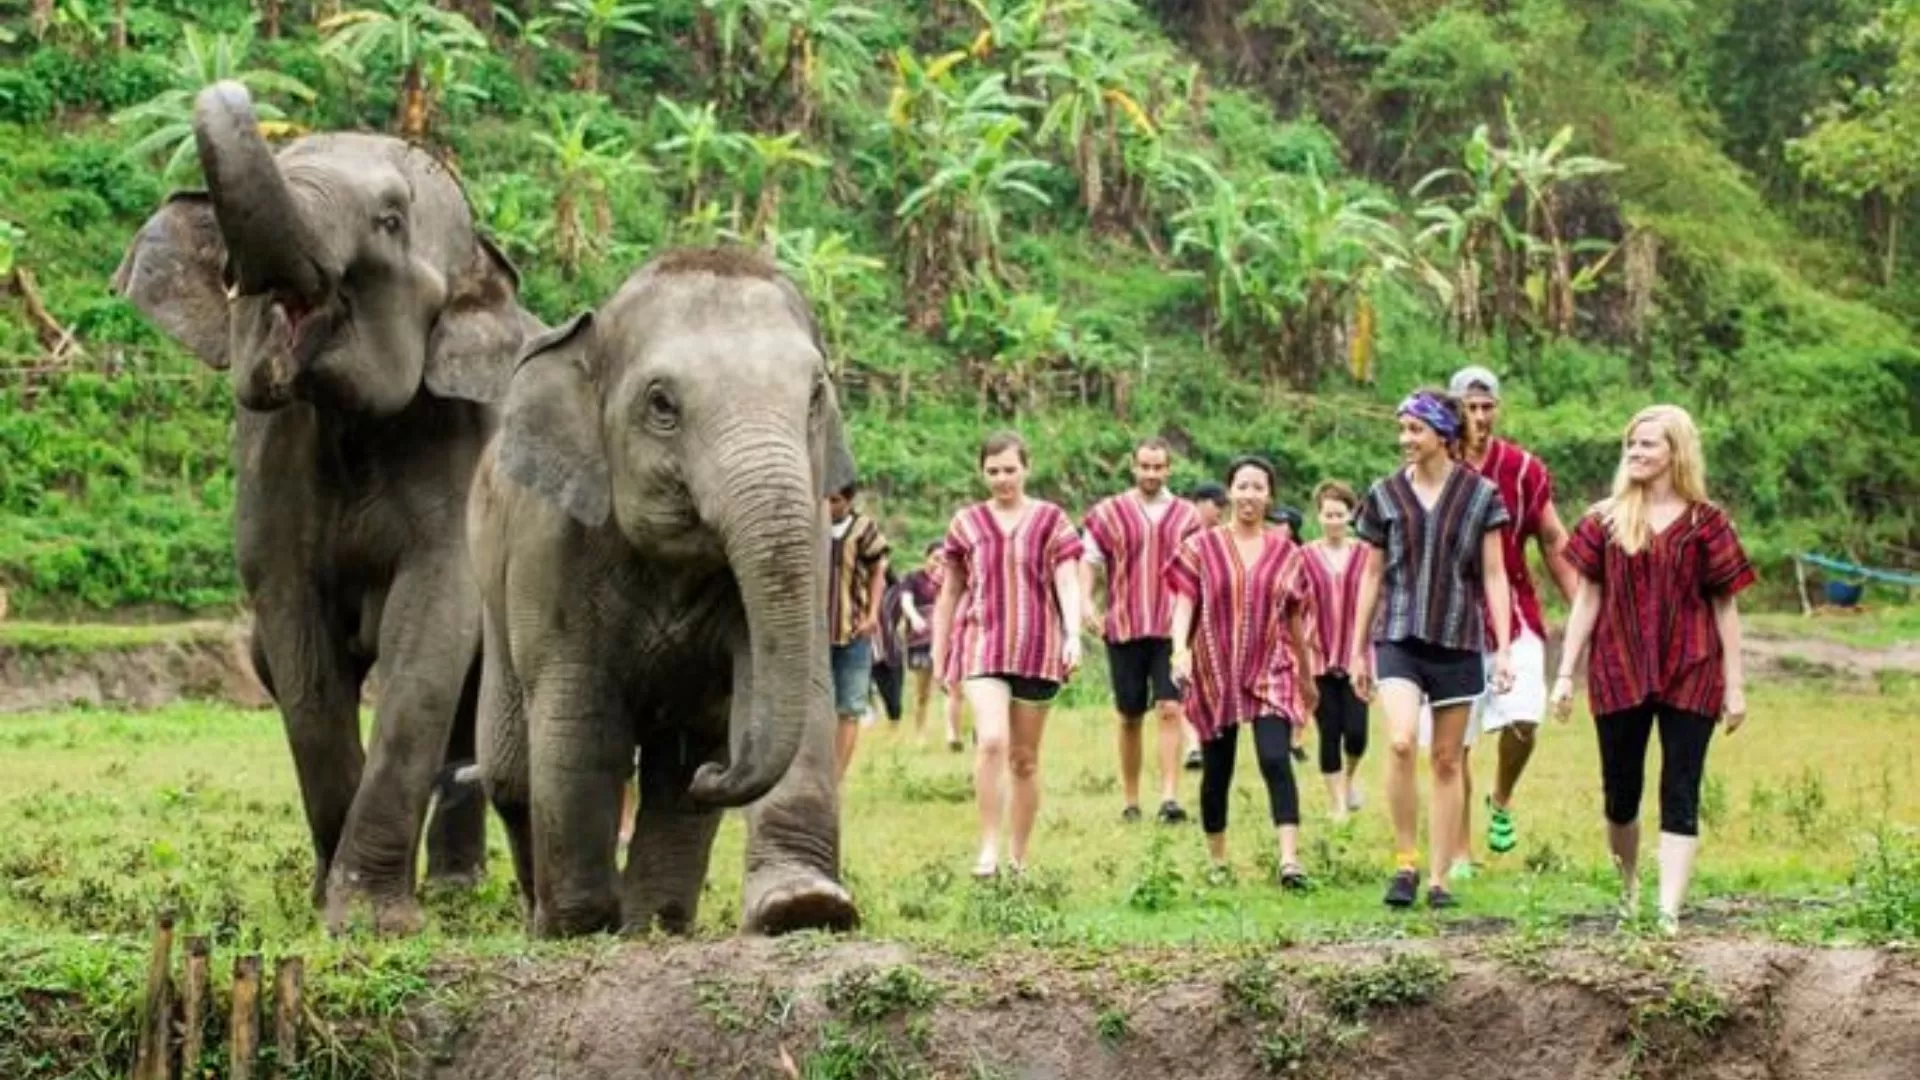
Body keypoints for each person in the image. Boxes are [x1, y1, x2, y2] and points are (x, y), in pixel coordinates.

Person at [1552, 404, 1753, 936]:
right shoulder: (1605, 520)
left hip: (1692, 668)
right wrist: (1564, 673)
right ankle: (1629, 892)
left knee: (1680, 791)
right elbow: (1587, 598)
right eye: (1632, 445)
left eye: (1648, 445)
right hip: (1618, 669)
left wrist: (1735, 686)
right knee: (1620, 795)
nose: (1637, 453)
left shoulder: (1708, 524)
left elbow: (1725, 607)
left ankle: (1667, 913)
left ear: (1675, 452)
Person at [1350, 389, 1514, 910]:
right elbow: (1371, 574)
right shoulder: (1383, 495)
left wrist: (1505, 648)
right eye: (1401, 429)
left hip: (1458, 637)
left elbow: (1494, 574)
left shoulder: (1481, 496)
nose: (1404, 439)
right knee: (1400, 741)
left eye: (1414, 430)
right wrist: (1356, 649)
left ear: (1443, 434)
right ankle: (1405, 862)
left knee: (1447, 759)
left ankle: (1440, 878)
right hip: (1397, 633)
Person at [1444, 365, 1582, 871]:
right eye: (1469, 407)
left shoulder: (1524, 470)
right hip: (1451, 617)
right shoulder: (1438, 465)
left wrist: (1581, 607)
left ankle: (1500, 797)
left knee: (1524, 717)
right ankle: (1458, 851)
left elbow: (1552, 540)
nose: (1479, 417)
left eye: (1487, 407)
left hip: (1516, 613)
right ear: (1454, 410)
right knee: (1454, 741)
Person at [932, 431, 1085, 878]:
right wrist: (942, 654)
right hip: (982, 643)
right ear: (982, 473)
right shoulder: (966, 524)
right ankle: (988, 849)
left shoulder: (1052, 521)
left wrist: (1073, 635)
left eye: (1010, 470)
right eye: (993, 471)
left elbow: (1068, 581)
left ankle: (1018, 858)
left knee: (1024, 759)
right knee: (993, 741)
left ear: (1026, 468)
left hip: (1039, 648)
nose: (1002, 479)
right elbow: (950, 592)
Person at [1169, 456, 1318, 888]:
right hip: (1215, 668)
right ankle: (1218, 863)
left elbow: (1295, 619)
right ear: (1229, 491)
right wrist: (1179, 649)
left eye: (1258, 487)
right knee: (1218, 769)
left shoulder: (1286, 553)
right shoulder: (1201, 547)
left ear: (1269, 496)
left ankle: (1290, 859)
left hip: (1272, 667)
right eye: (1242, 486)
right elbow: (1184, 602)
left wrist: (1306, 677)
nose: (1250, 495)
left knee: (1276, 758)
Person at [1080, 438, 1203, 825]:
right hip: (1125, 625)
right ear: (1132, 466)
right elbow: (1090, 561)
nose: (1151, 473)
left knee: (1169, 708)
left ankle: (1169, 797)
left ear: (1169, 469)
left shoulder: (1188, 517)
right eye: (1144, 466)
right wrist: (1085, 603)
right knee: (1129, 714)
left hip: (1172, 628)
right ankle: (1131, 799)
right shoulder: (1108, 514)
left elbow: (1202, 568)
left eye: (1158, 467)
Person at [1301, 480, 1369, 821]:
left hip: (1357, 656)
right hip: (1317, 655)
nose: (1333, 521)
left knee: (1357, 733)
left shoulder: (1366, 554)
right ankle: (1338, 804)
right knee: (1329, 730)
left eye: (1339, 514)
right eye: (1327, 514)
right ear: (1319, 515)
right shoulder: (1304, 557)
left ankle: (1349, 779)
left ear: (1350, 515)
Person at [827, 483, 890, 784]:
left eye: (835, 501)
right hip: (814, 635)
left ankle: (836, 778)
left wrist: (873, 613)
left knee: (850, 707)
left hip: (854, 630)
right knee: (816, 708)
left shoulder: (864, 528)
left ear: (849, 501)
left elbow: (880, 568)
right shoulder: (811, 525)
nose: (828, 506)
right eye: (824, 499)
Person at [1182, 482, 1229, 771]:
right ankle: (1192, 744)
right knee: (1185, 683)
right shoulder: (1183, 537)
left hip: (1216, 621)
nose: (1221, 512)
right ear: (1200, 503)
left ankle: (1210, 734)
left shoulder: (1224, 538)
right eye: (1217, 505)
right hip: (1185, 621)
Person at [898, 541, 946, 738]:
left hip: (946, 640)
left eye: (944, 559)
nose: (939, 563)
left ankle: (954, 730)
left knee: (951, 685)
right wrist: (915, 618)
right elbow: (906, 601)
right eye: (935, 558)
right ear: (926, 558)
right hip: (921, 641)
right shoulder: (913, 578)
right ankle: (920, 732)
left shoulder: (950, 578)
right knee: (922, 690)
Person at [870, 564, 906, 724]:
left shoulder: (896, 592)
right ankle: (872, 720)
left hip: (891, 648)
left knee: (894, 695)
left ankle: (894, 723)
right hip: (867, 649)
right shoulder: (860, 592)